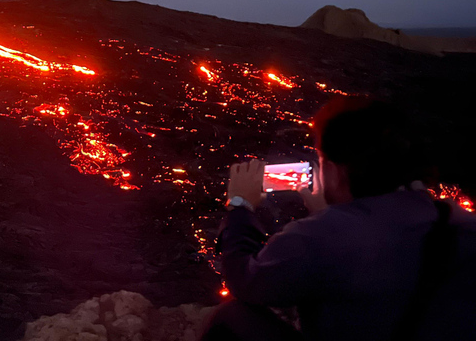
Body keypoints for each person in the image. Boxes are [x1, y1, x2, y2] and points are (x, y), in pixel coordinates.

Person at [202, 97, 476, 341]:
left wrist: (240, 206)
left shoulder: (319, 236)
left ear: (333, 169)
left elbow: (246, 280)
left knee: (232, 317)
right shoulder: (458, 221)